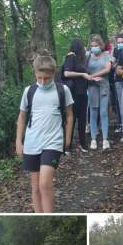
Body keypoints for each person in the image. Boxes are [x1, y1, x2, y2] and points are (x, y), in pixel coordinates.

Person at [16, 53, 74, 213]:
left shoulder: (63, 90)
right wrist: (18, 142)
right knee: (35, 188)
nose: (43, 81)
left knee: (45, 184)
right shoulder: (29, 91)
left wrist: (67, 138)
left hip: (53, 142)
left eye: (47, 78)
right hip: (32, 142)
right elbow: (21, 117)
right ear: (35, 74)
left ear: (54, 74)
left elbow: (69, 114)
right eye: (39, 77)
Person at [63, 40, 92, 153]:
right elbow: (66, 73)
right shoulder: (71, 57)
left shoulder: (80, 59)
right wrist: (82, 74)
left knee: (82, 119)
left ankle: (83, 143)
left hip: (82, 92)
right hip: (74, 93)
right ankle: (68, 145)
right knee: (72, 118)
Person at [86, 34, 112, 151]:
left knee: (103, 112)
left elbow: (107, 69)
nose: (94, 47)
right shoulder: (87, 56)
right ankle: (93, 139)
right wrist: (89, 77)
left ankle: (105, 139)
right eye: (92, 46)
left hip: (104, 86)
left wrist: (93, 75)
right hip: (92, 87)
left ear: (101, 45)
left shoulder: (106, 55)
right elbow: (83, 70)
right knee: (93, 111)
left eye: (96, 45)